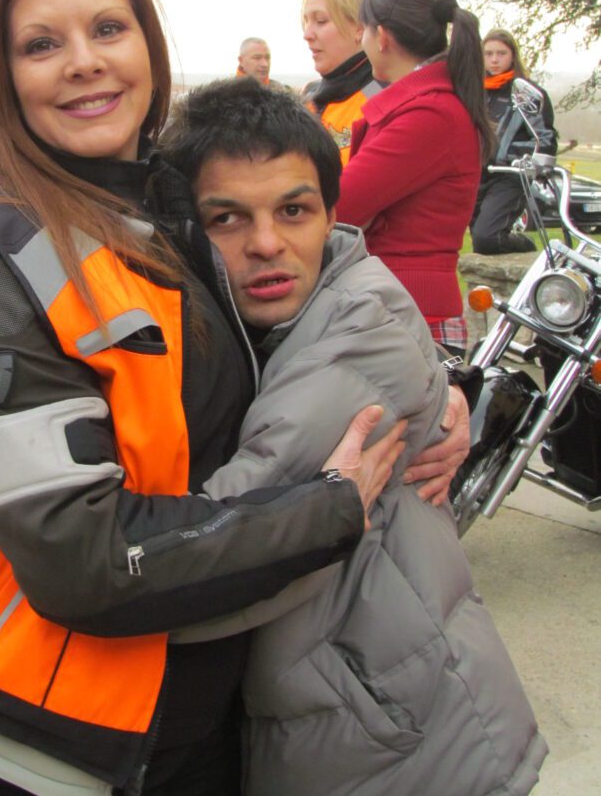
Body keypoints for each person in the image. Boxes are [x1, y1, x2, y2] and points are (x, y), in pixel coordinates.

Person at [0, 0, 411, 796]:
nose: (85, 62)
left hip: (186, 700)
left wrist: (427, 394)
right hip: (57, 742)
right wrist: (326, 510)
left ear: (149, 46)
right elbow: (83, 560)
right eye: (42, 45)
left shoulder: (154, 208)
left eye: (109, 29)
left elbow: (272, 324)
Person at [160, 78, 546, 796]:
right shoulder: (292, 316)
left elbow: (201, 570)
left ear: (332, 215)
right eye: (227, 218)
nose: (267, 244)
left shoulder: (350, 340)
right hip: (371, 707)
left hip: (387, 737)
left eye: (294, 210)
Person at [335, 0, 495, 353]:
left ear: (382, 36)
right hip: (399, 305)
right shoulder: (428, 106)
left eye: (364, 30)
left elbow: (340, 206)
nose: (362, 40)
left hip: (409, 313)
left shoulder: (429, 114)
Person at [471, 29, 558, 254]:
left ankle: (526, 246)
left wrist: (535, 163)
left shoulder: (527, 93)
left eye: (501, 53)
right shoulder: (474, 91)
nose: (495, 59)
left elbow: (546, 137)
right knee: (479, 242)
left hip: (509, 174)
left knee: (486, 237)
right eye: (489, 53)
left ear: (512, 56)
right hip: (476, 173)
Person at [301, 0, 382, 164]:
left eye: (321, 21)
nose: (307, 34)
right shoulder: (310, 96)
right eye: (306, 21)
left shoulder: (380, 98)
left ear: (360, 28)